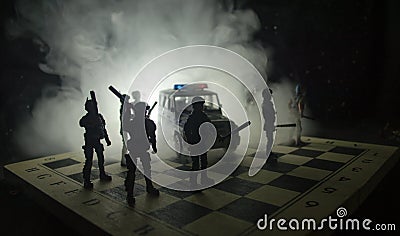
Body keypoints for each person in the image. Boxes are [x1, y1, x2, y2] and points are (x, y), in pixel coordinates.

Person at [124, 102, 159, 207]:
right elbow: (152, 137)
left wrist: (127, 111)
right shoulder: (148, 123)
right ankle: (135, 192)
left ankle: (132, 194)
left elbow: (125, 125)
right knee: (143, 171)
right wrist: (154, 147)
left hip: (136, 149)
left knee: (135, 172)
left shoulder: (133, 122)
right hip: (140, 149)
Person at [79, 98, 112, 189]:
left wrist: (107, 139)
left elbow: (103, 128)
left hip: (97, 141)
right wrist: (91, 124)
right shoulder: (86, 118)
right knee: (89, 161)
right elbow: (81, 123)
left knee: (101, 159)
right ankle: (86, 180)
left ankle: (102, 174)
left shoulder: (99, 117)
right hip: (89, 141)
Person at [183, 96, 214, 187]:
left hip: (202, 143)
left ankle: (203, 179)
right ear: (195, 106)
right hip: (195, 144)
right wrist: (190, 142)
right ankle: (193, 183)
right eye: (200, 105)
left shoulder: (202, 116)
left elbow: (210, 126)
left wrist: (217, 135)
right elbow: (187, 130)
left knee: (204, 162)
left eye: (202, 105)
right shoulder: (192, 118)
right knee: (195, 164)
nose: (202, 106)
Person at [263, 88, 278, 163]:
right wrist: (271, 124)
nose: (270, 96)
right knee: (270, 140)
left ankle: (269, 153)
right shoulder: (267, 104)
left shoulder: (267, 103)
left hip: (269, 124)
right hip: (269, 124)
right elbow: (268, 115)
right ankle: (268, 155)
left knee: (270, 140)